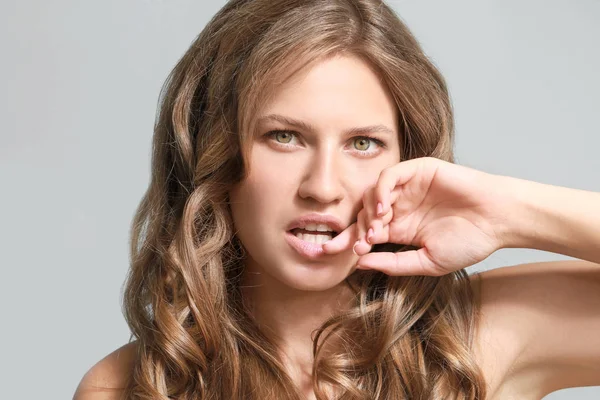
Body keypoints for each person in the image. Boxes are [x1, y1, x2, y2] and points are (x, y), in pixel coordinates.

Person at [73, 0, 600, 399]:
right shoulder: (127, 387)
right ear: (216, 150)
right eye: (284, 136)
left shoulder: (473, 340)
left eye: (363, 144)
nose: (323, 186)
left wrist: (506, 212)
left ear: (407, 159)